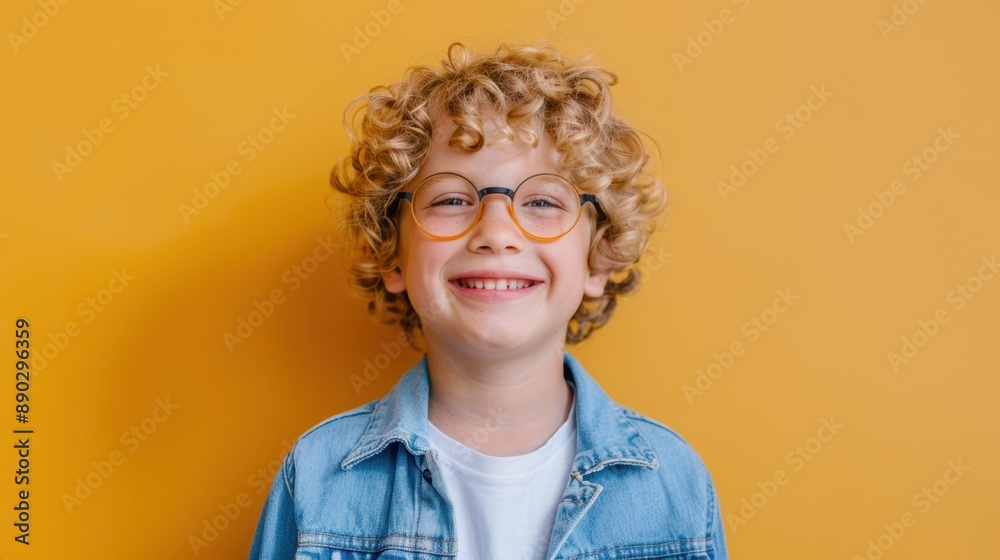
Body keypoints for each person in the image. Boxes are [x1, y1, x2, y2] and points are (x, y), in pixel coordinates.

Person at [249, 42, 728, 560]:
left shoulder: (675, 484)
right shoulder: (320, 475)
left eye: (542, 201)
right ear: (391, 255)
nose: (497, 232)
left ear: (599, 258)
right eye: (452, 199)